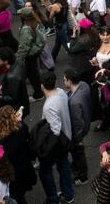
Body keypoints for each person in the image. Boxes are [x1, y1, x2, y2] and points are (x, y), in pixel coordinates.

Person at [37, 70, 74, 204]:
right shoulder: (61, 92)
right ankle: (68, 194)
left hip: (58, 143)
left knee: (44, 171)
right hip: (67, 136)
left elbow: (55, 130)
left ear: (41, 86)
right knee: (63, 165)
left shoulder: (49, 106)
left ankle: (53, 199)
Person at [64, 69, 93, 185]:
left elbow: (78, 123)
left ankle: (82, 176)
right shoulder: (83, 85)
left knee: (78, 153)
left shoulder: (74, 103)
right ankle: (76, 167)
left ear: (70, 81)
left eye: (65, 80)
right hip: (87, 119)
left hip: (78, 132)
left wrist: (76, 139)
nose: (63, 81)